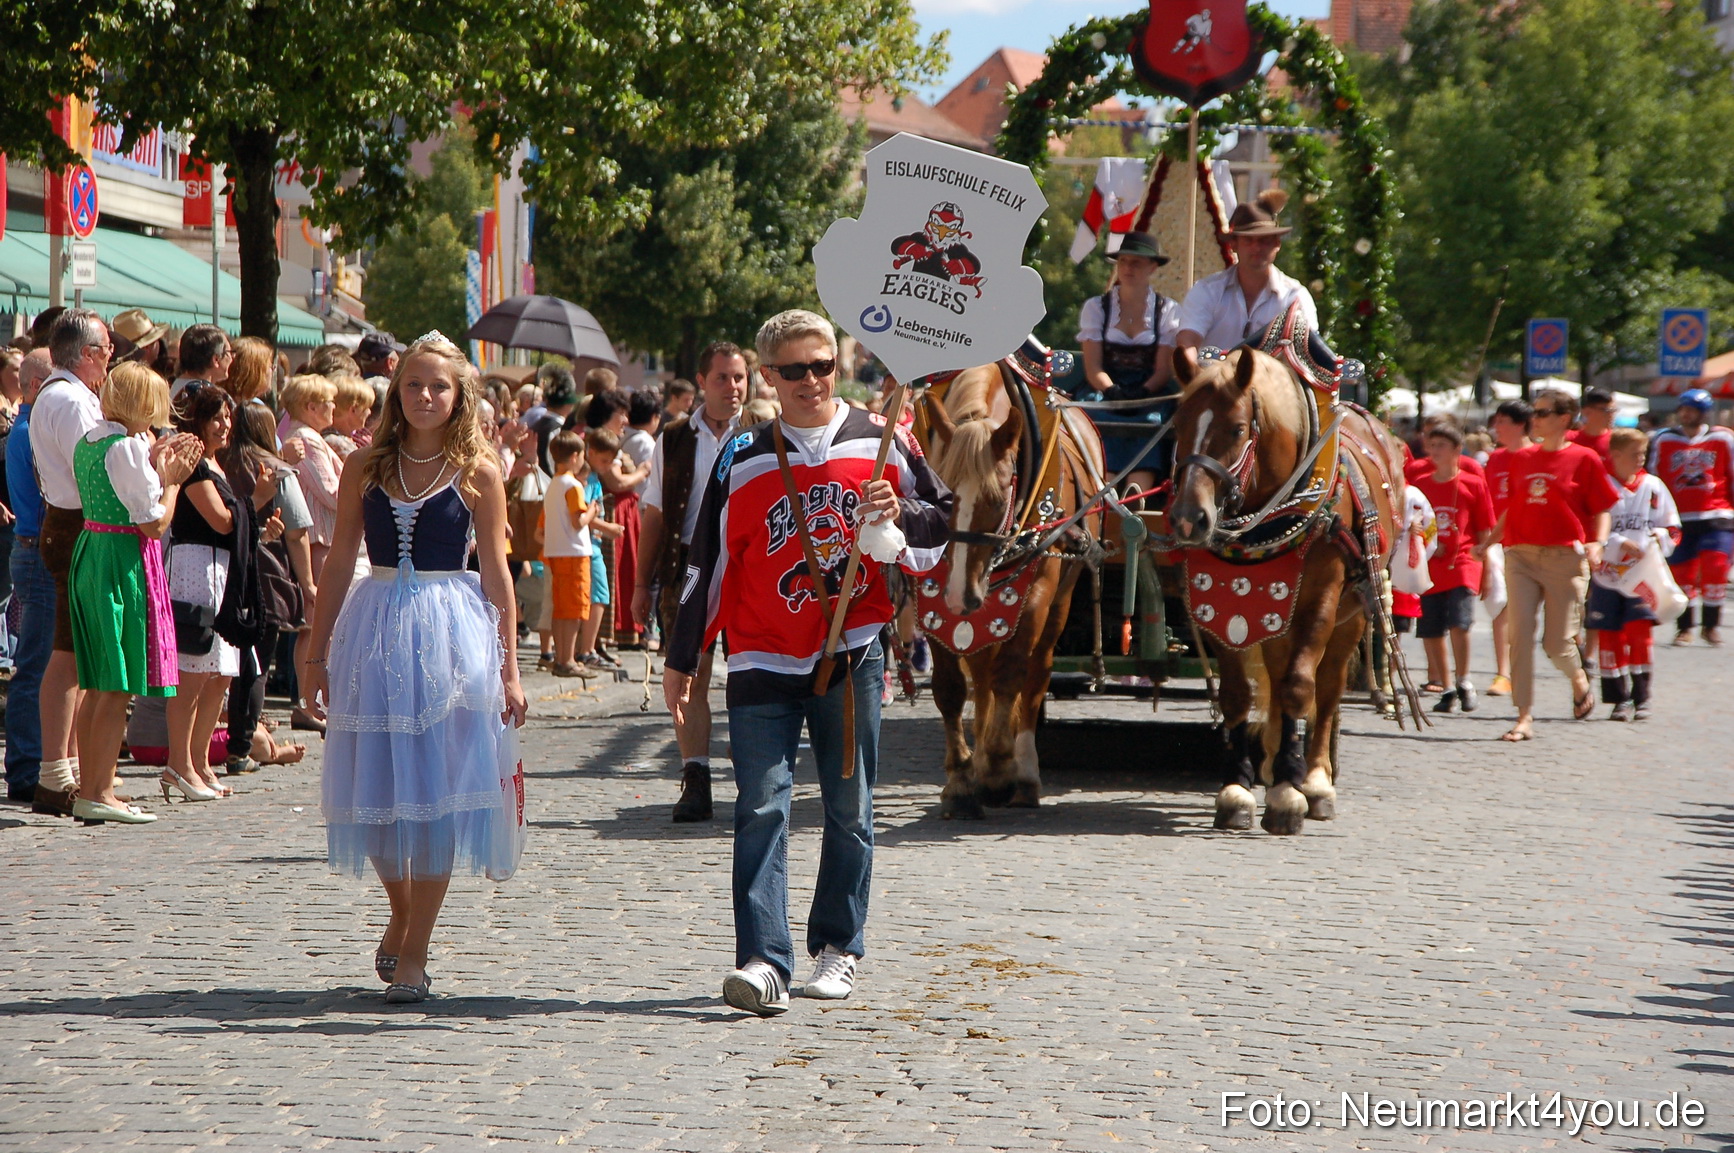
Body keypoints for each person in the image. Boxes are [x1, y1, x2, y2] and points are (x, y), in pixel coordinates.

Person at [664, 309, 952, 1016]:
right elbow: (707, 557)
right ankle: (764, 959)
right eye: (793, 369)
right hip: (761, 652)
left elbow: (940, 522)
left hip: (850, 653)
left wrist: (899, 511)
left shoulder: (880, 441)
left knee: (850, 807)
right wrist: (683, 652)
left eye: (822, 365)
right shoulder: (744, 455)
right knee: (760, 805)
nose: (811, 380)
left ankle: (838, 946)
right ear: (769, 376)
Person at [304, 331, 527, 1004]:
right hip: (373, 628)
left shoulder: (478, 470)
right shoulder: (365, 464)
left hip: (452, 635)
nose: (426, 395)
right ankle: (402, 912)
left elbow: (495, 571)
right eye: (413, 384)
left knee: (436, 797)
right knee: (371, 793)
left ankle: (416, 951)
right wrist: (315, 653)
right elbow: (339, 558)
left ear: (460, 396)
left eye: (439, 386)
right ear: (395, 390)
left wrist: (511, 667)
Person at [69, 363, 202, 822]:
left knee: (100, 682)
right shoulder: (125, 446)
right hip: (120, 558)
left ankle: (93, 787)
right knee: (114, 684)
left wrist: (154, 462)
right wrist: (172, 483)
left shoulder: (92, 440)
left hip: (95, 550)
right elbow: (153, 521)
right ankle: (99, 792)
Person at [635, 342, 748, 822]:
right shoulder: (675, 438)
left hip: (749, 568)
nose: (733, 387)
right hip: (690, 571)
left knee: (752, 678)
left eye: (740, 377)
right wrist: (642, 584)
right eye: (722, 377)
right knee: (690, 678)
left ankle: (756, 776)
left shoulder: (765, 434)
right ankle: (696, 778)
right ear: (702, 382)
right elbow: (655, 515)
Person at [1491, 388, 1619, 741]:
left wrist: (1598, 542)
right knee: (1519, 636)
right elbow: (1512, 507)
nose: (1535, 419)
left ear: (1564, 419)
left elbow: (1604, 507)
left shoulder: (1584, 459)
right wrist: (1487, 542)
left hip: (1565, 558)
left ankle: (1579, 681)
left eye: (1543, 413)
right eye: (1535, 412)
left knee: (1557, 643)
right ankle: (1524, 716)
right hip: (1521, 555)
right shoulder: (1522, 458)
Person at [32, 309, 113, 817]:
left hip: (69, 522)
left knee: (76, 652)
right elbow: (96, 472)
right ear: (86, 355)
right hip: (77, 523)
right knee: (70, 654)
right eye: (106, 350)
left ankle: (70, 766)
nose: (110, 360)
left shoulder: (61, 396)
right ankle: (55, 772)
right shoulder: (70, 400)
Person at [165, 382, 249, 799]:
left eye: (227, 416)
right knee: (192, 673)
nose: (224, 424)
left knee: (218, 675)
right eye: (216, 416)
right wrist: (257, 501)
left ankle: (199, 760)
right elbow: (220, 520)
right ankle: (178, 764)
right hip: (196, 566)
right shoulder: (194, 464)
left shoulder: (217, 464)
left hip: (221, 572)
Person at [1075, 231, 1180, 491]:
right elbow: (1093, 367)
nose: (1128, 268)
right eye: (1123, 261)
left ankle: (1137, 493)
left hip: (1149, 391)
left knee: (1152, 421)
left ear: (1152, 267)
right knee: (1095, 416)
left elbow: (1162, 370)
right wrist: (1112, 391)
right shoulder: (1097, 308)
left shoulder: (1167, 311)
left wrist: (1142, 393)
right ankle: (1103, 487)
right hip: (1104, 388)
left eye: (1137, 262)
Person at [1587, 428, 1680, 721]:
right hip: (1607, 575)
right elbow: (1589, 527)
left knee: (1640, 633)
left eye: (1643, 453)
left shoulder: (1653, 486)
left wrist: (1658, 537)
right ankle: (1618, 699)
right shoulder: (1600, 485)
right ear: (1615, 455)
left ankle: (1642, 696)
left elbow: (1673, 527)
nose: (1640, 459)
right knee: (1610, 636)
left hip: (1642, 575)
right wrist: (1615, 543)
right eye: (1634, 454)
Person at [1175, 189, 1319, 375]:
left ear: (1277, 244)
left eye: (1264, 241)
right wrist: (1193, 375)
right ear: (1234, 245)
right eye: (1248, 241)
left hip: (1274, 395)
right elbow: (1188, 340)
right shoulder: (1206, 290)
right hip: (1215, 391)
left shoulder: (1296, 297)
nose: (1256, 248)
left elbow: (1308, 352)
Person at [1412, 422, 1496, 712]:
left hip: (1463, 562)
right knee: (1432, 630)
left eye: (1441, 446)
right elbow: (1413, 525)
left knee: (1460, 624)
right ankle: (1446, 687)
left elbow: (1485, 530)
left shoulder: (1473, 484)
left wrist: (1485, 570)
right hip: (1430, 566)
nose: (1434, 451)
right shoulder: (1421, 483)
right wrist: (1425, 540)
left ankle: (1464, 680)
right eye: (1432, 445)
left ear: (1457, 450)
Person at [5, 352, 56, 806]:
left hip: (32, 550)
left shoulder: (26, 429)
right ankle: (25, 768)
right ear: (38, 384)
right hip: (36, 550)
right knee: (36, 664)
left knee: (40, 662)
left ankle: (36, 764)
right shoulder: (29, 433)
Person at [1647, 388, 1734, 646]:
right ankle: (1684, 627)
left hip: (1716, 514)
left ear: (1702, 413)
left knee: (1715, 567)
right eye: (1683, 409)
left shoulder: (1723, 438)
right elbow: (1653, 478)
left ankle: (1711, 625)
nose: (1686, 414)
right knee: (1682, 575)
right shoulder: (1663, 440)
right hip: (1678, 517)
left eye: (1692, 410)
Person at [1482, 399, 1533, 696]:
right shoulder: (1496, 459)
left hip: (1536, 541)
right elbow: (1489, 500)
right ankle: (1503, 672)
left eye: (1502, 422)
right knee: (1501, 605)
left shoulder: (1535, 455)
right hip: (1502, 543)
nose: (1496, 428)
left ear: (1520, 424)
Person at [541, 430, 597, 679]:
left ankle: (562, 657)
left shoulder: (553, 483)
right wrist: (592, 511)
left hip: (555, 552)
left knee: (560, 608)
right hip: (574, 553)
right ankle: (568, 658)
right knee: (574, 609)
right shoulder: (573, 486)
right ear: (575, 457)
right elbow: (579, 521)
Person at [577, 427, 627, 668]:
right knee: (599, 595)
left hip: (592, 543)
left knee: (597, 595)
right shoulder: (588, 479)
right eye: (604, 460)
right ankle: (587, 649)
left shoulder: (593, 477)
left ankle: (587, 646)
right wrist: (608, 528)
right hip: (590, 544)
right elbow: (584, 512)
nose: (607, 467)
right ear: (591, 452)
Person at [614, 390, 660, 649]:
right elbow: (652, 478)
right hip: (642, 509)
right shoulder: (646, 441)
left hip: (632, 508)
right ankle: (646, 629)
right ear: (654, 417)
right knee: (647, 573)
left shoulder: (626, 437)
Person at [171, 324, 233, 398]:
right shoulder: (209, 399)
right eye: (229, 352)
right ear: (216, 360)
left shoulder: (175, 387)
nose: (232, 358)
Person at [325, 375, 376, 460]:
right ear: (353, 409)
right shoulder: (337, 445)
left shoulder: (341, 440)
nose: (369, 412)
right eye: (366, 408)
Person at [1568, 387, 1617, 469]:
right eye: (1606, 411)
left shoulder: (1617, 441)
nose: (1611, 415)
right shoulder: (1568, 439)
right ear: (1586, 412)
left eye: (1613, 410)